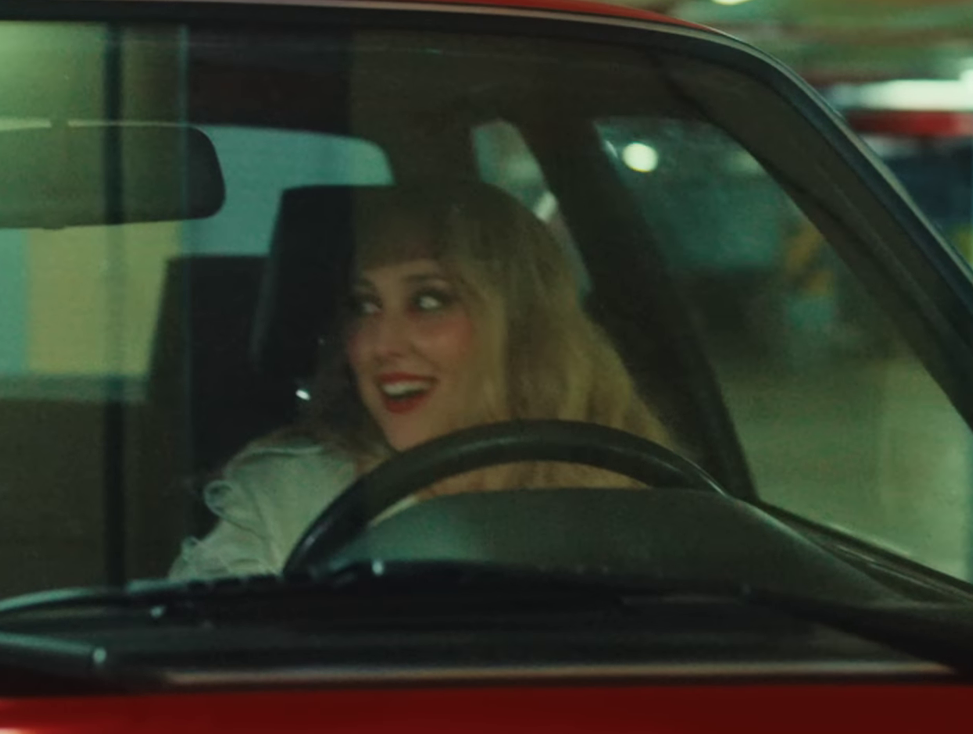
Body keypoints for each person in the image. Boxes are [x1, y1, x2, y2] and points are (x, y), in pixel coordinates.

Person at [172, 181, 675, 580]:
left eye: (429, 301)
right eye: (364, 306)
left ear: (524, 326)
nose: (379, 344)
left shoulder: (633, 498)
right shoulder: (287, 499)